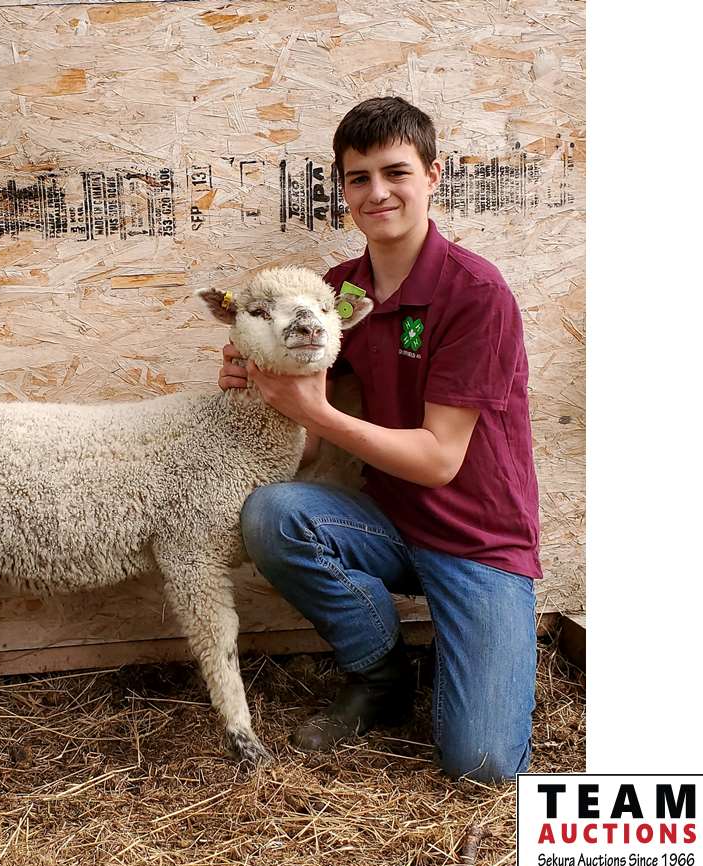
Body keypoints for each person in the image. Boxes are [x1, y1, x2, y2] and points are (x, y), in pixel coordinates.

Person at [220, 97, 541, 782]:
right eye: (358, 177)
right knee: (273, 514)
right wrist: (258, 385)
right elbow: (305, 448)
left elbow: (439, 459)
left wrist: (314, 411)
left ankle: (475, 645)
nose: (378, 193)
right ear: (343, 189)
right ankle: (381, 675)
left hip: (479, 540)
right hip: (387, 523)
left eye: (396, 172)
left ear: (433, 175)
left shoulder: (475, 293)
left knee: (483, 765)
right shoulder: (335, 295)